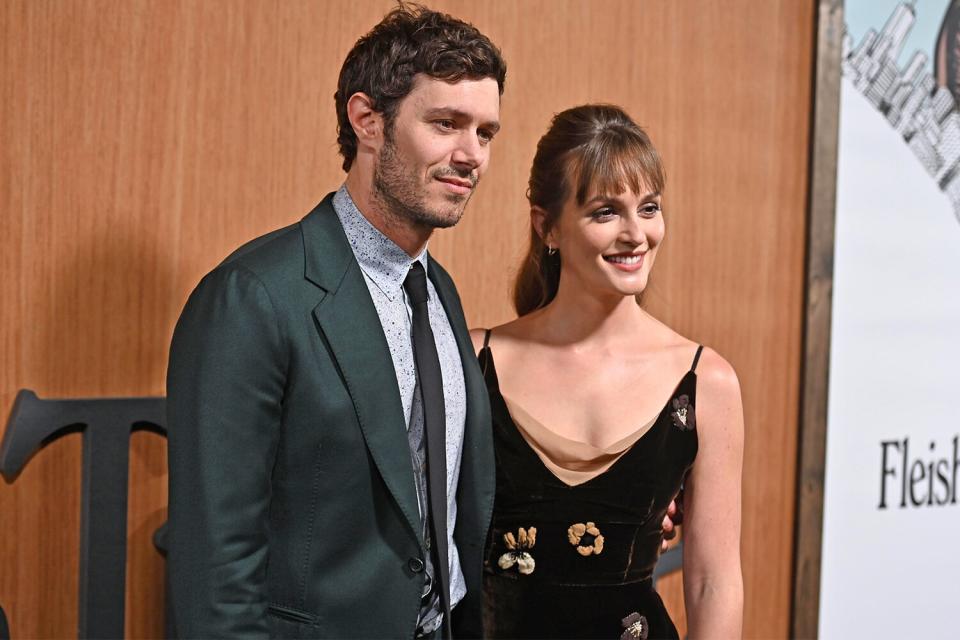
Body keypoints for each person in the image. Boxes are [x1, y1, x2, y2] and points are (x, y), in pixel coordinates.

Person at [166, 5, 505, 638]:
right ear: (367, 120)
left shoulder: (439, 292)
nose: (471, 155)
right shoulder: (253, 296)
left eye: (485, 133)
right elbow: (217, 569)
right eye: (445, 124)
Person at [471, 105, 744, 639]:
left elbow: (714, 582)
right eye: (605, 212)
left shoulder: (706, 382)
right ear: (546, 225)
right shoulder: (474, 361)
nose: (636, 234)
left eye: (648, 208)